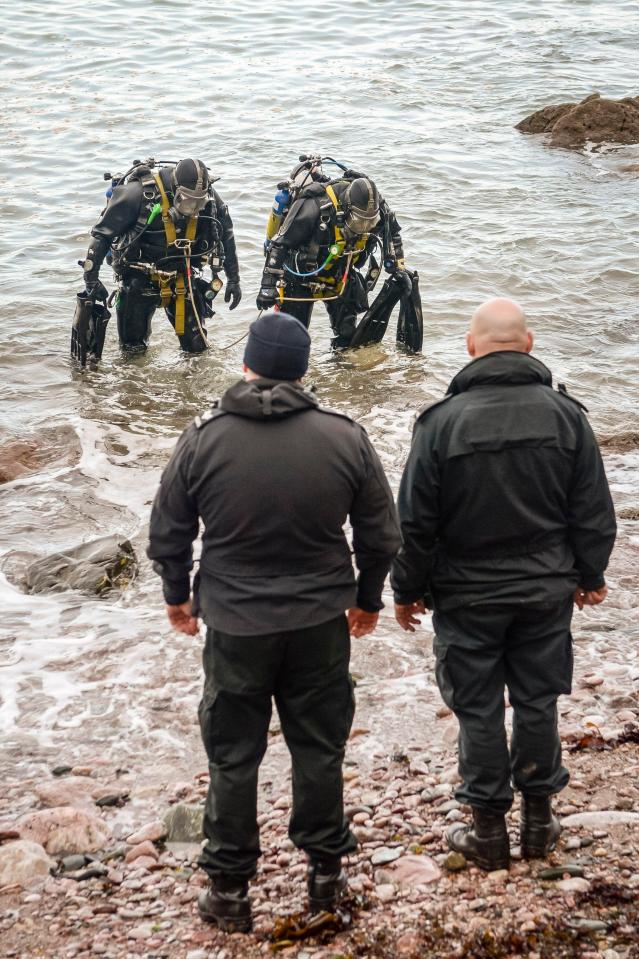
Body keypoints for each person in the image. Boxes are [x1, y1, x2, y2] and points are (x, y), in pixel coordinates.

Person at [147, 311, 401, 932]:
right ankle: (325, 874)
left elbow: (169, 531)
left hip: (236, 623)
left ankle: (230, 889)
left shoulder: (203, 437)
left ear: (246, 364)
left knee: (234, 753)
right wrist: (367, 600)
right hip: (319, 619)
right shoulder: (344, 436)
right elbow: (381, 534)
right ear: (304, 369)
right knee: (318, 744)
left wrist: (177, 596)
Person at [391, 298, 616, 871]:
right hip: (544, 590)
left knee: (479, 708)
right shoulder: (567, 417)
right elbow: (593, 509)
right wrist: (591, 574)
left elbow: (414, 522)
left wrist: (405, 590)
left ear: (471, 347)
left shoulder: (440, 423)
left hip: (466, 595)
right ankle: (539, 824)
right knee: (538, 700)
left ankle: (488, 831)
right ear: (529, 343)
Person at [80, 157, 241, 355]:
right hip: (138, 277)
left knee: (197, 349)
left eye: (199, 202)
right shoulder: (138, 195)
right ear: (175, 188)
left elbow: (227, 235)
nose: (193, 208)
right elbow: (101, 235)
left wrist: (234, 279)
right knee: (132, 351)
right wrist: (91, 279)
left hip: (183, 277)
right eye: (187, 200)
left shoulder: (211, 200)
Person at [256, 156, 413, 349]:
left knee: (348, 339)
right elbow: (279, 244)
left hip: (340, 275)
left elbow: (393, 234)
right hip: (301, 278)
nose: (363, 227)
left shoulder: (378, 209)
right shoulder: (314, 206)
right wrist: (267, 286)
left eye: (369, 223)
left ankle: (340, 374)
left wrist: (398, 267)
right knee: (291, 340)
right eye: (359, 221)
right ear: (345, 209)